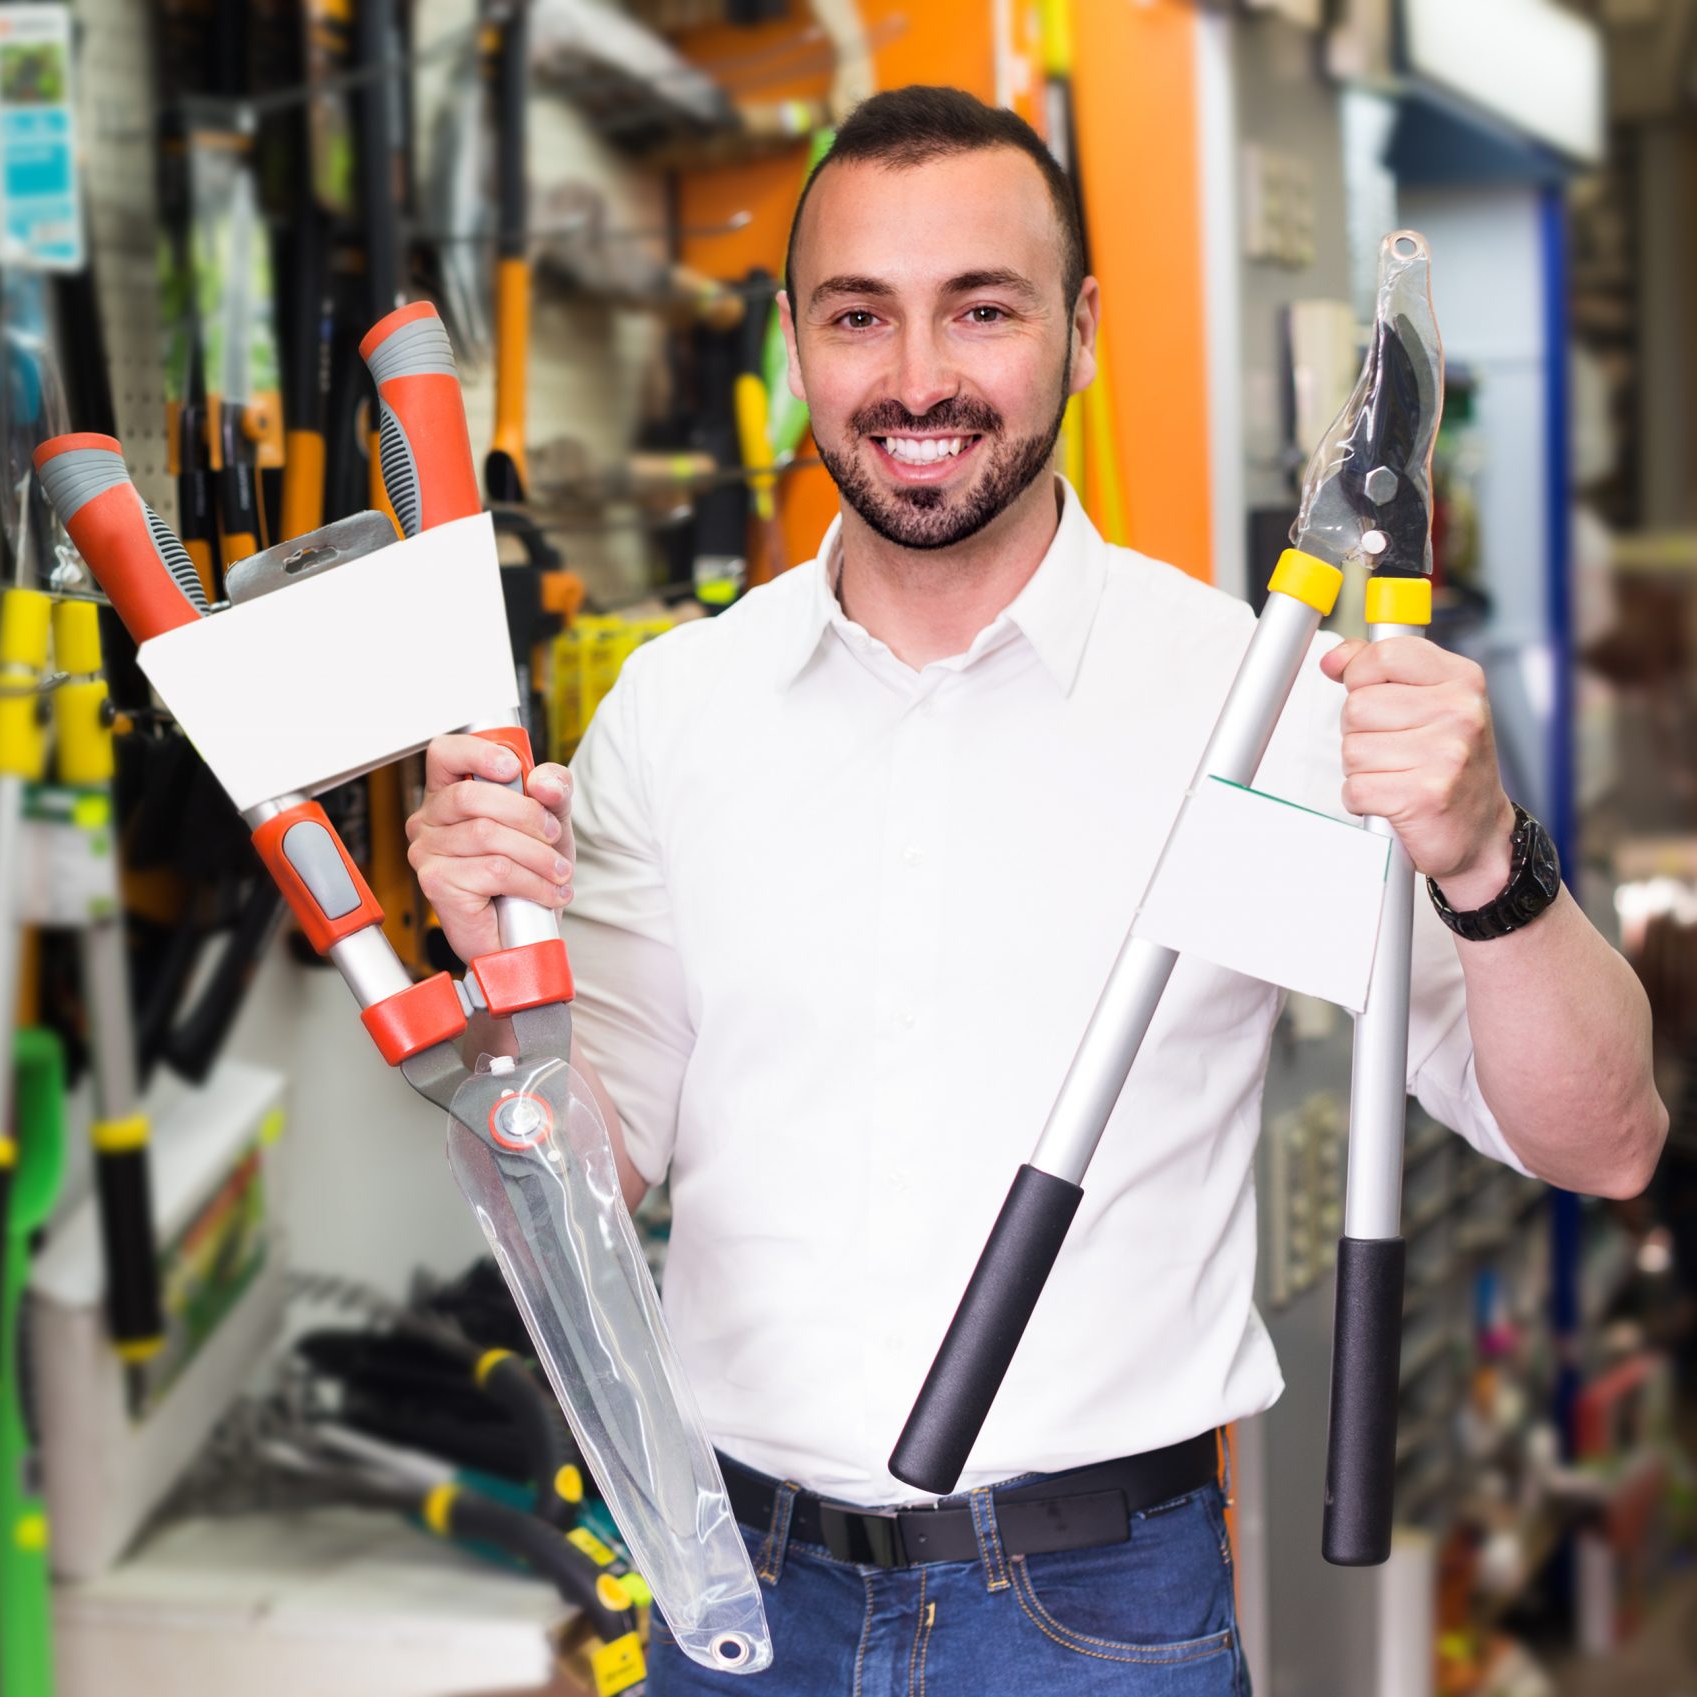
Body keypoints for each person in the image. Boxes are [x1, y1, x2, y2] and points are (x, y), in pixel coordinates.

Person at [406, 86, 1665, 1693]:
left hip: (1090, 1616)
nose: (917, 378)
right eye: (860, 315)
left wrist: (1491, 860)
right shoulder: (679, 710)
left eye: (980, 310)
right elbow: (588, 1167)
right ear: (793, 343)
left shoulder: (1253, 707)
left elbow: (1598, 1138)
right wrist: (492, 973)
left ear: (1078, 332)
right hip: (731, 1597)